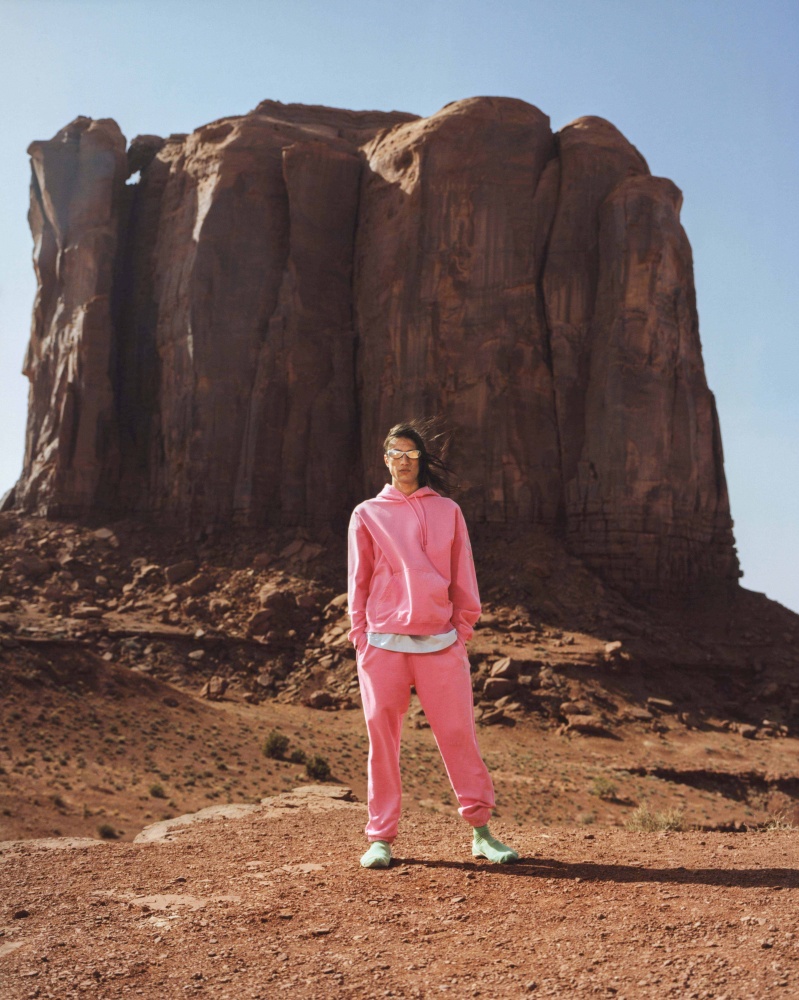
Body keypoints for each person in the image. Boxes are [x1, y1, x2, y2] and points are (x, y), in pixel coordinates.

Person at [347, 420, 519, 869]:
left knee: (459, 735)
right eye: (395, 453)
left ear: (420, 459)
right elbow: (358, 580)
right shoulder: (367, 513)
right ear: (385, 459)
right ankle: (380, 838)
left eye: (411, 453)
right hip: (383, 643)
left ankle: (482, 833)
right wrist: (360, 637)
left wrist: (461, 632)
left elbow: (464, 574)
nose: (403, 461)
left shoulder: (448, 511)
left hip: (441, 643)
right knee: (382, 741)